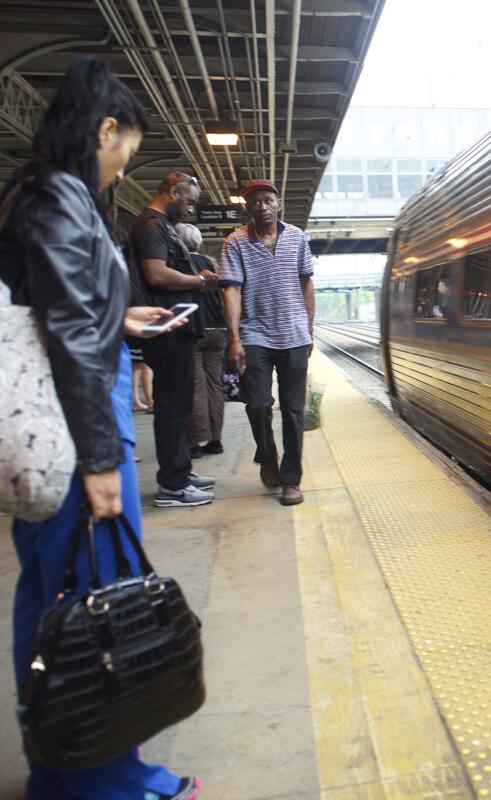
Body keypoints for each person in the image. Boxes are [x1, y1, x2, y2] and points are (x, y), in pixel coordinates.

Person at [0, 56, 200, 800]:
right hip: (75, 420)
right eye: (124, 155)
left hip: (56, 415)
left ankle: (61, 763)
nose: (121, 172)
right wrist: (100, 461)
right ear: (104, 129)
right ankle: (107, 782)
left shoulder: (29, 193)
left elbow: (62, 312)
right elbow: (72, 338)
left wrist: (123, 316)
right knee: (99, 598)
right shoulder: (60, 196)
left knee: (52, 601)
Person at [219, 179, 315, 506]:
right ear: (247, 207)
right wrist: (234, 339)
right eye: (255, 201)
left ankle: (291, 479)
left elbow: (306, 284)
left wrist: (309, 330)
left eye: (267, 200)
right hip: (254, 334)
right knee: (258, 404)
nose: (262, 206)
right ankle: (267, 453)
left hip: (294, 335)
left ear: (278, 204)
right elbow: (230, 291)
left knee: (293, 410)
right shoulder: (235, 242)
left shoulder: (298, 238)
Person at [130, 172, 218, 507]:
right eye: (189, 201)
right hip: (166, 329)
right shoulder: (151, 225)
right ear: (173, 190)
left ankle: (180, 471)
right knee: (171, 407)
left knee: (179, 405)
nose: (190, 209)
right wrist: (200, 281)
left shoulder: (160, 225)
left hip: (176, 328)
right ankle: (172, 485)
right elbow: (155, 273)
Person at [176, 222, 226, 458]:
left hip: (194, 330)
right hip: (217, 329)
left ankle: (195, 442)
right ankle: (216, 440)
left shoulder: (178, 264)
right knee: (214, 383)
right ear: (197, 242)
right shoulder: (211, 263)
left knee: (195, 386)